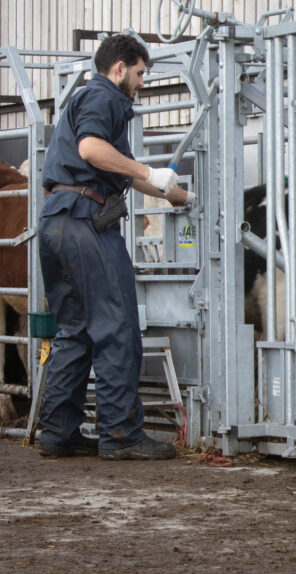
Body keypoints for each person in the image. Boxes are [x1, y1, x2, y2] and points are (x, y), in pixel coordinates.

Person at [37, 34, 193, 460]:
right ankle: (121, 434)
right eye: (141, 73)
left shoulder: (92, 101)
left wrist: (171, 193)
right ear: (120, 68)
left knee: (74, 330)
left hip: (56, 220)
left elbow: (115, 166)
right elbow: (92, 150)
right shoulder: (103, 96)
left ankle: (58, 431)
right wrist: (147, 168)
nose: (143, 82)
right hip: (86, 221)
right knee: (117, 324)